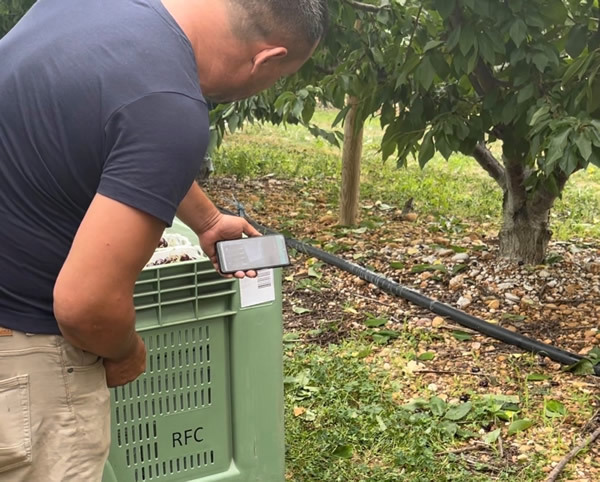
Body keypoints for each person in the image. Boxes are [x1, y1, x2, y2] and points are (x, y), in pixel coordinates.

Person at [0, 0, 328, 480]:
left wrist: (208, 220)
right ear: (267, 59)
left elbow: (108, 133)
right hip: (21, 354)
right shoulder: (172, 106)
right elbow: (86, 305)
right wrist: (126, 351)